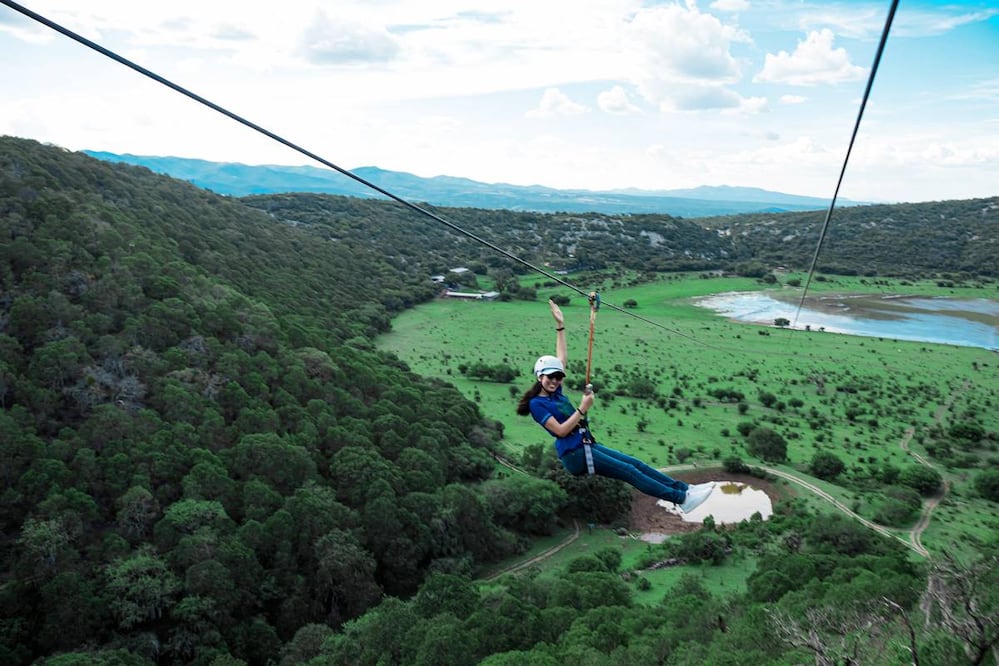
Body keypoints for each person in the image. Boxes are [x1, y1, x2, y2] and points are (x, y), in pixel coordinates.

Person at [516, 299, 714, 514]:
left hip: (585, 444)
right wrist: (582, 408)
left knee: (636, 464)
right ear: (539, 378)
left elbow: (561, 359)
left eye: (558, 377)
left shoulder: (556, 393)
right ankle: (682, 500)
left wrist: (560, 325)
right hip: (575, 454)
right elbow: (561, 431)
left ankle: (685, 490)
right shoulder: (537, 404)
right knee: (629, 471)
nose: (554, 381)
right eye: (549, 378)